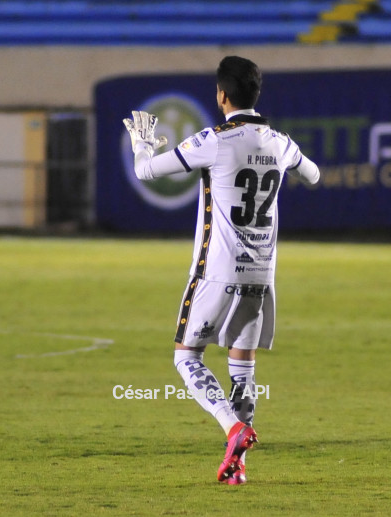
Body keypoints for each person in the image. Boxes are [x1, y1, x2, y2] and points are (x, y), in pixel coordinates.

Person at [123, 56, 320, 484]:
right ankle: (238, 465)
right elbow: (315, 174)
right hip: (262, 275)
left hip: (218, 271)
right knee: (243, 365)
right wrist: (287, 161)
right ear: (256, 94)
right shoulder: (279, 142)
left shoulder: (214, 139)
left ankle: (233, 427)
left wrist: (144, 144)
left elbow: (144, 171)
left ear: (221, 96)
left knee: (186, 356)